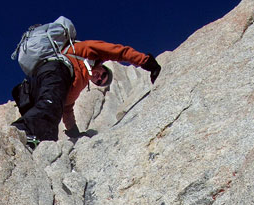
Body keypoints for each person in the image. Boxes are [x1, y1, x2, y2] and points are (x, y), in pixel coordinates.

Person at [11, 40, 161, 147]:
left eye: (100, 82)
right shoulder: (84, 52)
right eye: (103, 75)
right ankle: (19, 132)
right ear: (102, 67)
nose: (99, 78)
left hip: (38, 85)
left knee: (52, 114)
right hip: (56, 69)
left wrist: (74, 132)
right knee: (50, 104)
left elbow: (67, 109)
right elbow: (118, 51)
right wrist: (146, 62)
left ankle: (36, 145)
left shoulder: (78, 84)